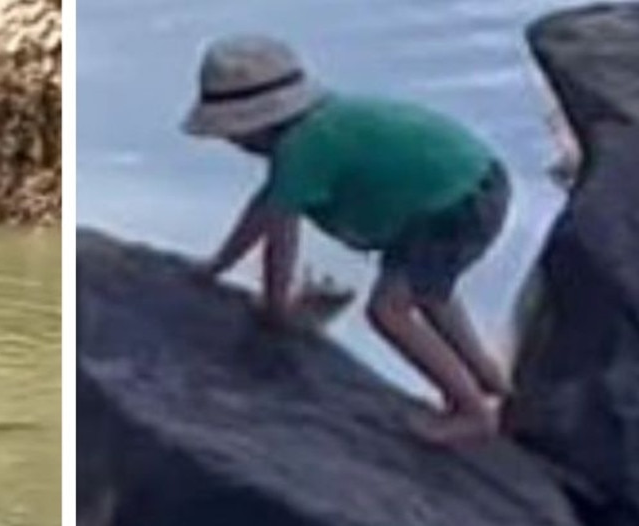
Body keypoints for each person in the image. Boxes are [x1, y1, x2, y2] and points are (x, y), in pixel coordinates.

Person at [184, 35, 513, 445]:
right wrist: (218, 265)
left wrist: (274, 308)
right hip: (475, 181)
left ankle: (472, 412)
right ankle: (487, 378)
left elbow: (280, 240)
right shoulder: (322, 127)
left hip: (451, 204)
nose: (232, 143)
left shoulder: (304, 149)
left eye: (232, 134)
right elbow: (265, 211)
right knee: (429, 292)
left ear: (255, 126)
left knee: (388, 311)